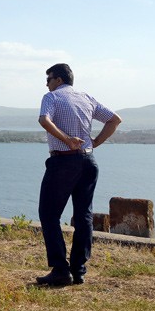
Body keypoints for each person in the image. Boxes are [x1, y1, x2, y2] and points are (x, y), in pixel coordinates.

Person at [36, 63, 122, 286]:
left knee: (48, 214)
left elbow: (44, 120)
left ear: (59, 80)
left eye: (49, 79)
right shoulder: (86, 98)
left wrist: (66, 140)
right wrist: (95, 143)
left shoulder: (52, 97)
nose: (46, 84)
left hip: (63, 161)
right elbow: (115, 120)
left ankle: (60, 269)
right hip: (88, 161)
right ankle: (79, 270)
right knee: (84, 216)